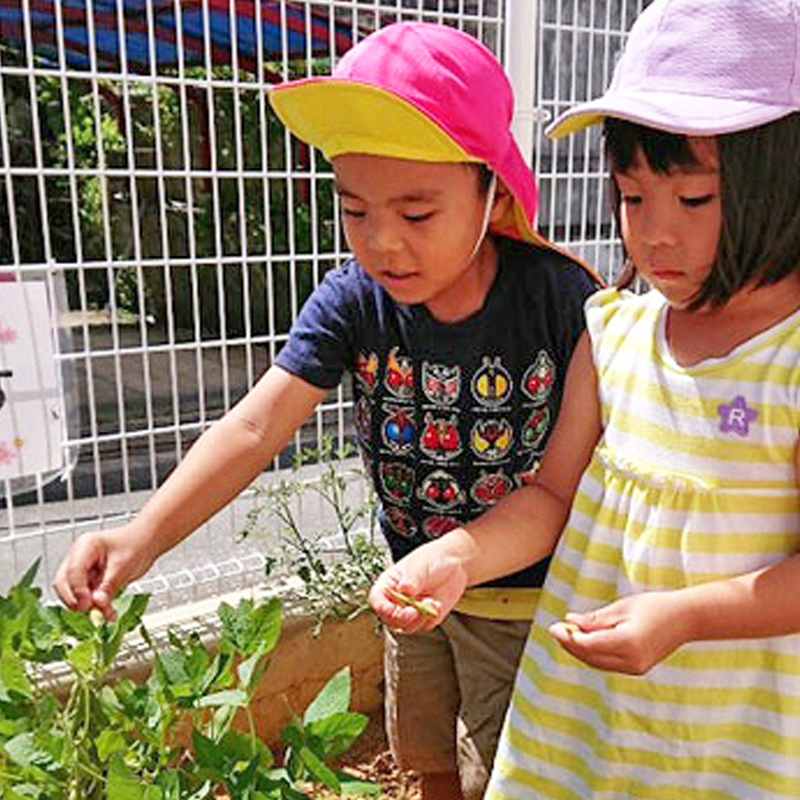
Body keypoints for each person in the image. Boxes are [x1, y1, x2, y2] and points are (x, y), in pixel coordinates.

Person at [53, 22, 599, 800]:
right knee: (426, 758)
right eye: (355, 211)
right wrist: (140, 536)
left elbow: (563, 486)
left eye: (417, 214)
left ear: (491, 189)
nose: (383, 243)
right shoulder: (354, 302)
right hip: (410, 591)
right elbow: (253, 427)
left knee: (502, 778)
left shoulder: (558, 298)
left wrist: (465, 561)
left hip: (522, 600)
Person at [368, 0, 800, 797]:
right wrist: (458, 556)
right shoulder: (617, 334)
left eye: (692, 200)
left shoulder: (788, 361)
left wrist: (686, 616)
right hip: (592, 722)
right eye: (633, 198)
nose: (653, 234)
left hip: (737, 733)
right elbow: (551, 494)